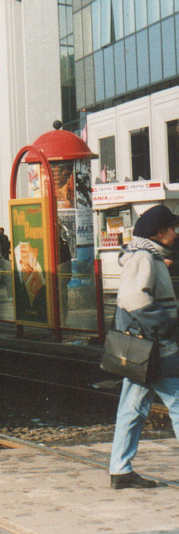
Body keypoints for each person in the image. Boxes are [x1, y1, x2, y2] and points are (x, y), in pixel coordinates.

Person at [108, 204, 179, 489]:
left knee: (132, 407)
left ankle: (120, 470)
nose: (175, 233)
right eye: (172, 228)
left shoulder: (148, 257)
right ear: (159, 232)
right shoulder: (145, 258)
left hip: (144, 352)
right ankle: (120, 469)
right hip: (155, 349)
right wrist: (165, 324)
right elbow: (134, 299)